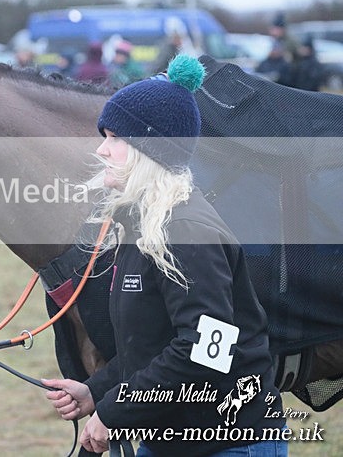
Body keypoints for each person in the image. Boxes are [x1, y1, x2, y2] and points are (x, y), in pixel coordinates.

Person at [43, 55, 287, 456]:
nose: (102, 150)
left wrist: (114, 410)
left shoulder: (185, 230)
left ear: (149, 149)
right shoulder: (142, 225)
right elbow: (151, 344)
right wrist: (96, 391)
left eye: (115, 138)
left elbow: (206, 351)